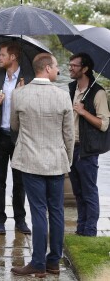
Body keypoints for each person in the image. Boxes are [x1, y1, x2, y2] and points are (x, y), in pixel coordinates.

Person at [10, 53, 75, 277]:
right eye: (56, 66)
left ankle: (38, 262)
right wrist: (68, 159)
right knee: (56, 211)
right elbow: (69, 135)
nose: (58, 69)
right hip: (56, 161)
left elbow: (14, 126)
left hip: (30, 160)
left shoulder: (19, 94)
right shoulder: (63, 95)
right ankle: (53, 262)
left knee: (38, 212)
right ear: (46, 68)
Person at [0, 42, 34, 235]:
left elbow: (34, 109)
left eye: (2, 54)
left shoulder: (29, 79)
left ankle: (20, 220)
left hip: (20, 138)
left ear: (12, 57)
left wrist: (23, 95)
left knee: (20, 182)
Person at [68, 52, 110, 237]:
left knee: (89, 191)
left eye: (74, 65)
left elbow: (104, 124)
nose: (70, 68)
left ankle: (90, 231)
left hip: (87, 149)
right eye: (69, 65)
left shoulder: (98, 92)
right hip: (71, 146)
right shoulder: (71, 88)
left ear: (85, 69)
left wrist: (83, 112)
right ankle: (80, 228)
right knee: (77, 191)